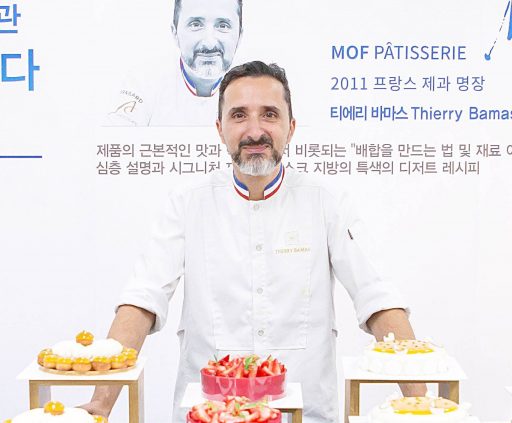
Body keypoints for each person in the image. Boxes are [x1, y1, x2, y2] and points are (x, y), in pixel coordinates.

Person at [85, 61, 425, 422]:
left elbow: (377, 299)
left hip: (304, 414)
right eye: (239, 115)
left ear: (291, 127)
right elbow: (143, 299)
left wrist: (424, 407)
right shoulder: (187, 202)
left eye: (270, 114)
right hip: (208, 413)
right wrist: (100, 403)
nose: (255, 131)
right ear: (219, 129)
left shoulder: (327, 201)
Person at [104, 0, 243, 126]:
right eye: (195, 24)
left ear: (240, 35)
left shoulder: (253, 86)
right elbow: (115, 138)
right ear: (174, 33)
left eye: (223, 26)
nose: (209, 43)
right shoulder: (144, 81)